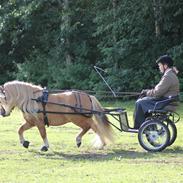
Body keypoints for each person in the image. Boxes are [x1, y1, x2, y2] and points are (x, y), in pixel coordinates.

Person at [133, 55, 180, 129]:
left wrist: (146, 92)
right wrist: (147, 92)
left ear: (165, 65)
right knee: (143, 101)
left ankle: (141, 127)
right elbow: (159, 91)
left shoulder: (168, 76)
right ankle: (148, 126)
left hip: (164, 102)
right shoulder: (171, 74)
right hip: (167, 100)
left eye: (160, 65)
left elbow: (157, 93)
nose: (159, 67)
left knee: (139, 103)